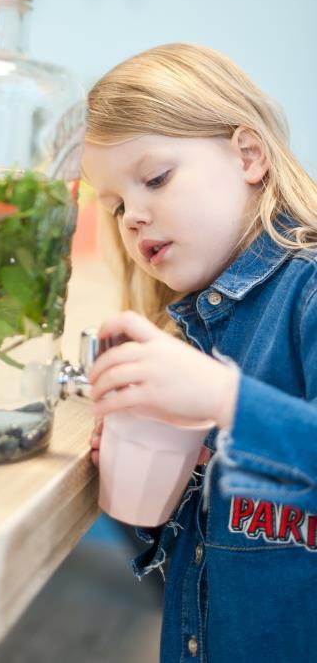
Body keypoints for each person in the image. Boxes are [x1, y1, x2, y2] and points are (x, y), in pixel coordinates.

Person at [82, 43, 317, 663]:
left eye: (155, 178)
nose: (132, 216)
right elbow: (217, 537)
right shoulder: (191, 330)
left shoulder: (309, 293)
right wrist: (150, 467)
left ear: (248, 154)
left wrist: (222, 398)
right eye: (115, 206)